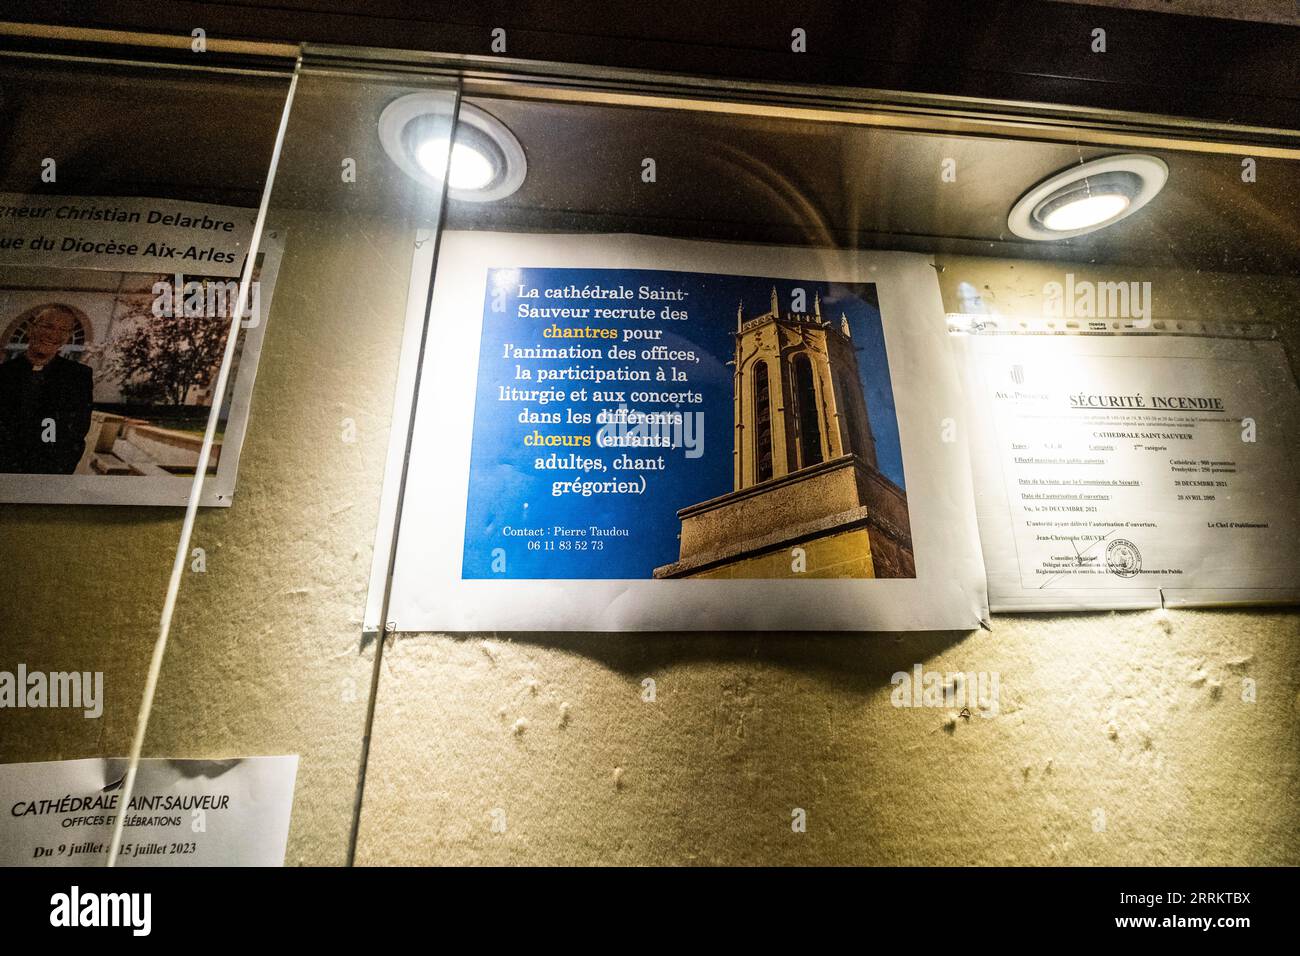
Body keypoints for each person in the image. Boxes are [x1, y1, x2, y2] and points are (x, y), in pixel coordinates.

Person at [0, 306, 94, 474]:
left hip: (49, 474)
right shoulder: (4, 374)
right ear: (30, 329)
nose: (53, 335)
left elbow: (76, 434)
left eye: (63, 330)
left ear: (67, 337)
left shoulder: (78, 377)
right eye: (48, 326)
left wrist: (56, 474)